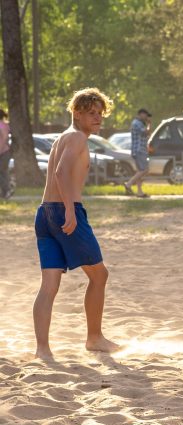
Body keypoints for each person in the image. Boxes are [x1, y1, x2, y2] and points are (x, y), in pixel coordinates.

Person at [32, 88, 120, 360]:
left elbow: (57, 172)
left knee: (49, 286)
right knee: (99, 275)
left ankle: (42, 350)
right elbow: (60, 172)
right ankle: (94, 338)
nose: (97, 119)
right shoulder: (78, 138)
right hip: (63, 212)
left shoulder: (63, 138)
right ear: (76, 112)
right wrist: (70, 211)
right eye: (91, 113)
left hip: (44, 212)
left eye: (100, 114)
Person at [124, 108, 152, 198]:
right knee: (144, 170)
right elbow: (146, 132)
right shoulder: (137, 123)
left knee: (140, 171)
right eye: (146, 115)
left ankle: (140, 192)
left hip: (138, 150)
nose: (147, 117)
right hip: (139, 150)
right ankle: (129, 184)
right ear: (141, 114)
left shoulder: (138, 123)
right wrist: (149, 124)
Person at [0, 108, 12, 199]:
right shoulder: (4, 124)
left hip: (3, 152)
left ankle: (6, 191)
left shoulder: (2, 125)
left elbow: (4, 138)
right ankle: (5, 191)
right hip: (4, 152)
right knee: (3, 171)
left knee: (2, 171)